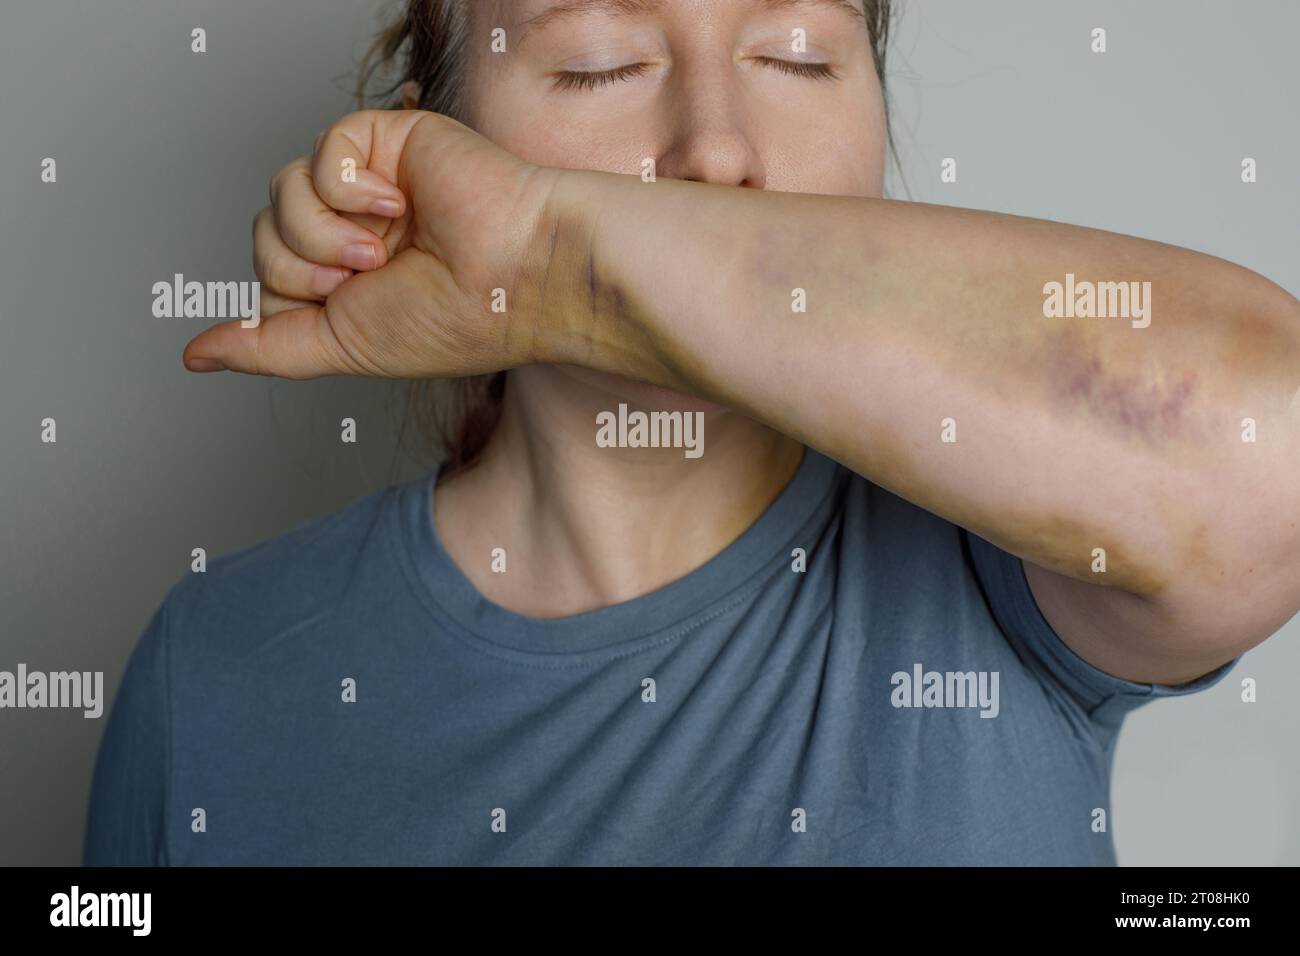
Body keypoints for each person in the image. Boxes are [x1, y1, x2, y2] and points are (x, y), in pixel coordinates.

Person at [86, 0, 1299, 865]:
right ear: (419, 163)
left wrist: (555, 260)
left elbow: (1270, 438)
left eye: (796, 54)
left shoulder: (995, 561)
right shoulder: (218, 667)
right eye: (599, 62)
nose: (716, 147)